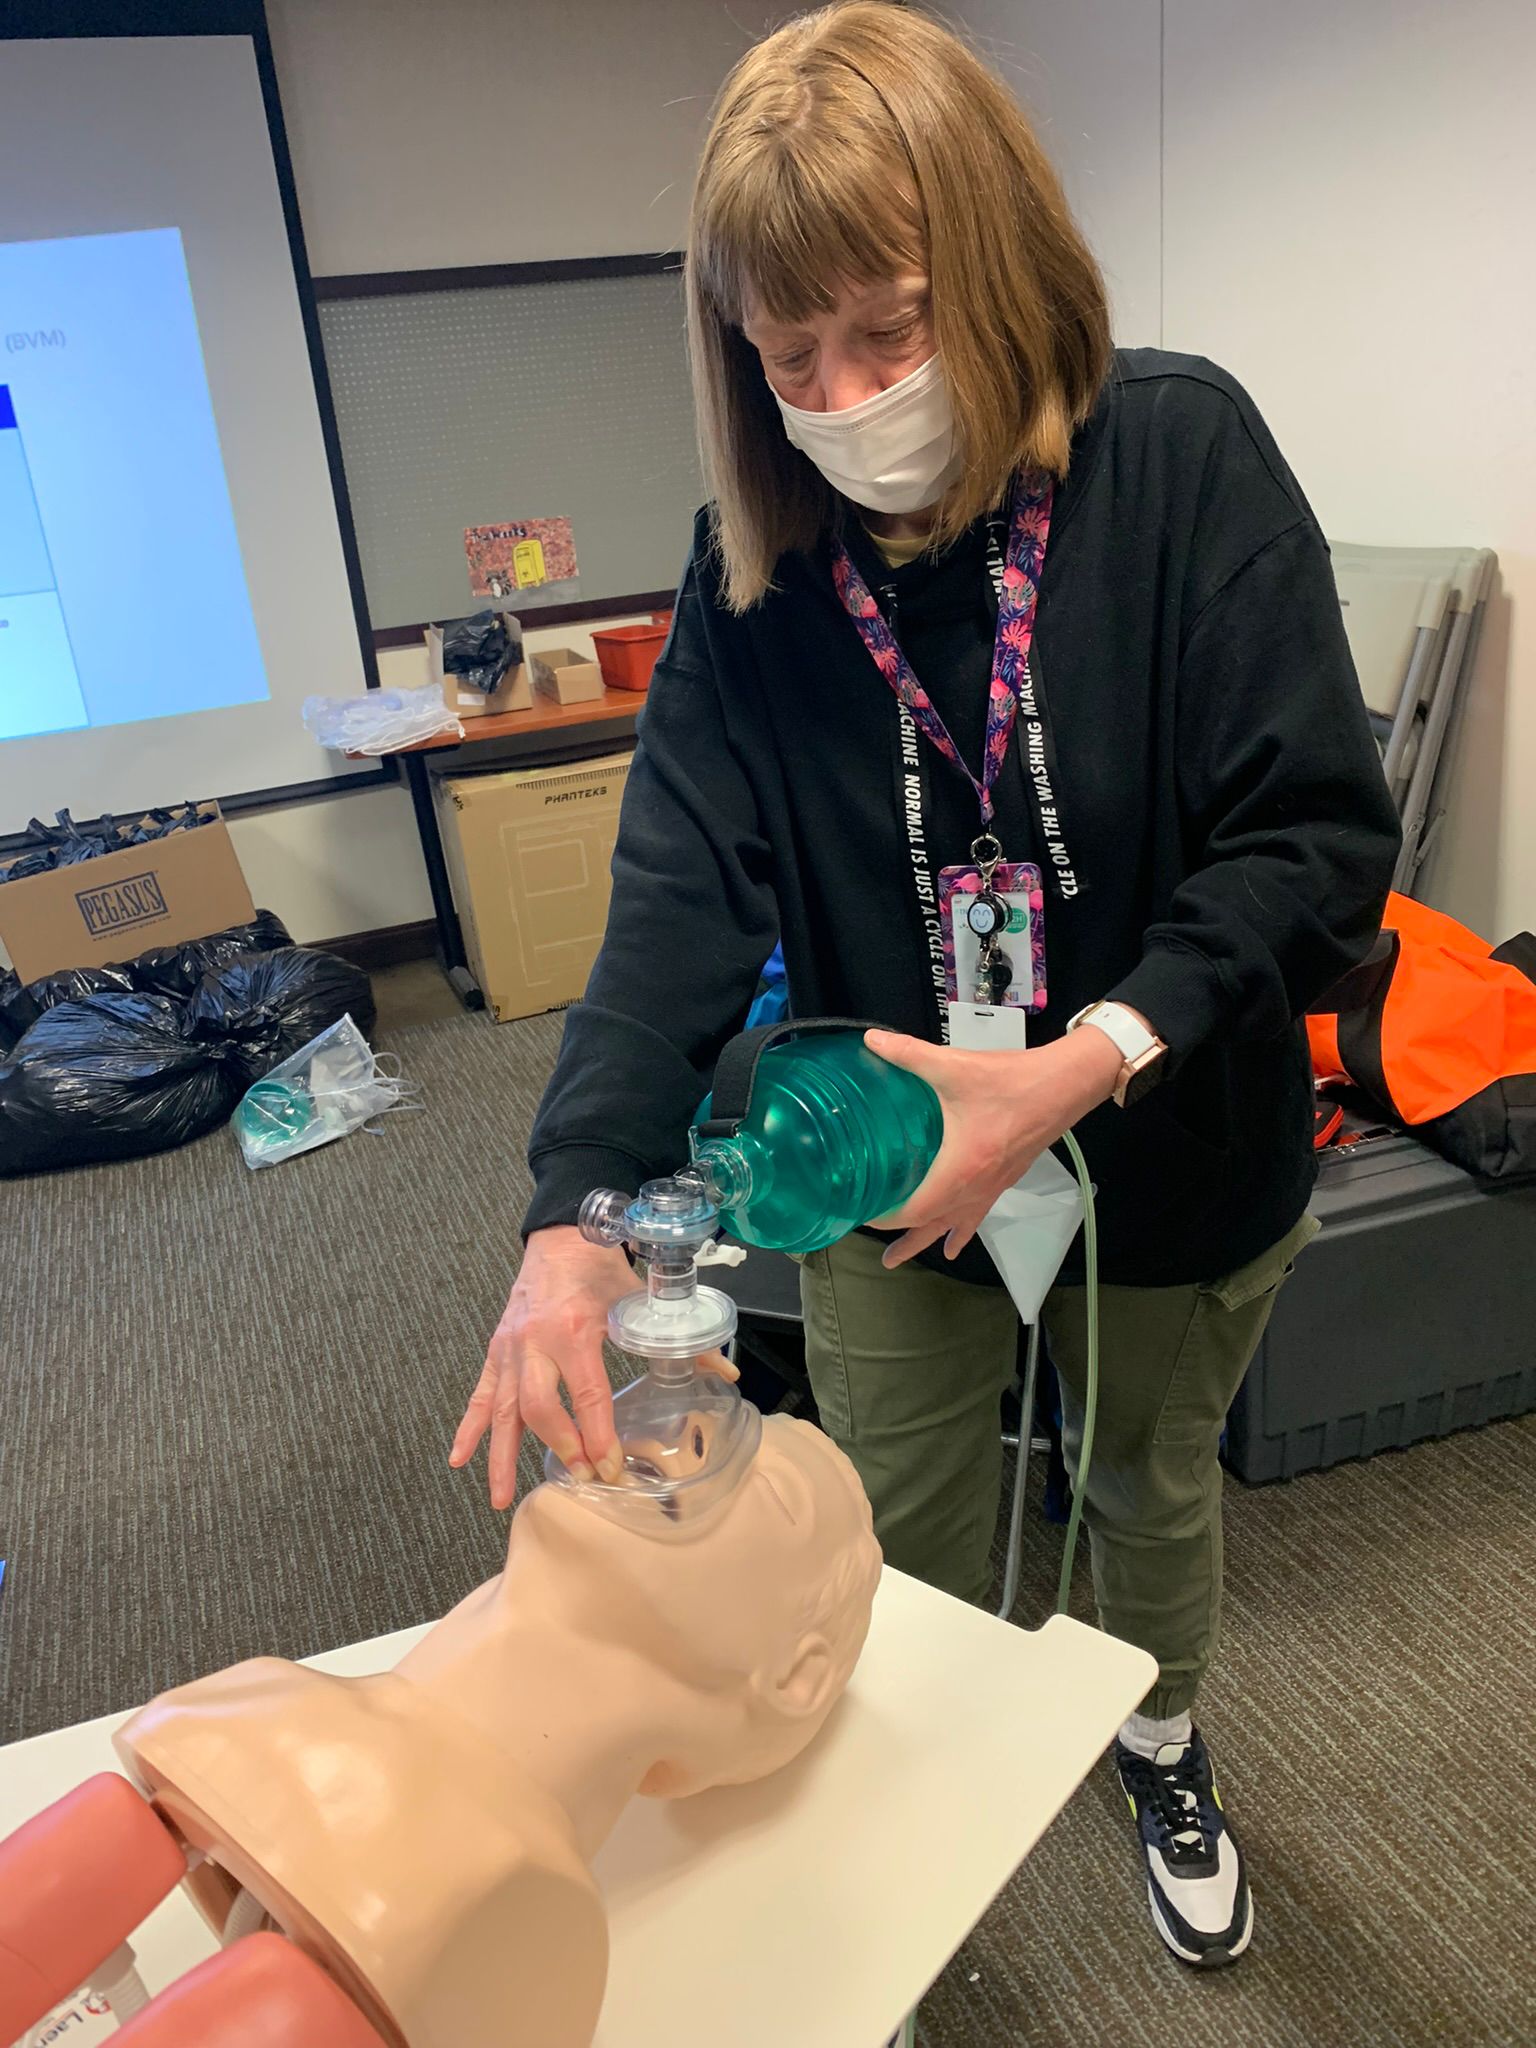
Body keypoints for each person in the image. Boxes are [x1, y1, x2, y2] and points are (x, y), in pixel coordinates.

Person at [452, 0, 1400, 1971]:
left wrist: (1081, 1061)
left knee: (1147, 1484)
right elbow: (672, 912)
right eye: (790, 357)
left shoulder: (1180, 455)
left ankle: (1160, 1731)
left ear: (1000, 264)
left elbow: (1310, 844)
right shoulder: (753, 571)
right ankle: (882, 1850)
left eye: (888, 325)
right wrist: (569, 1219)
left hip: (1169, 1132)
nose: (845, 392)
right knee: (889, 1517)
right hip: (888, 1172)